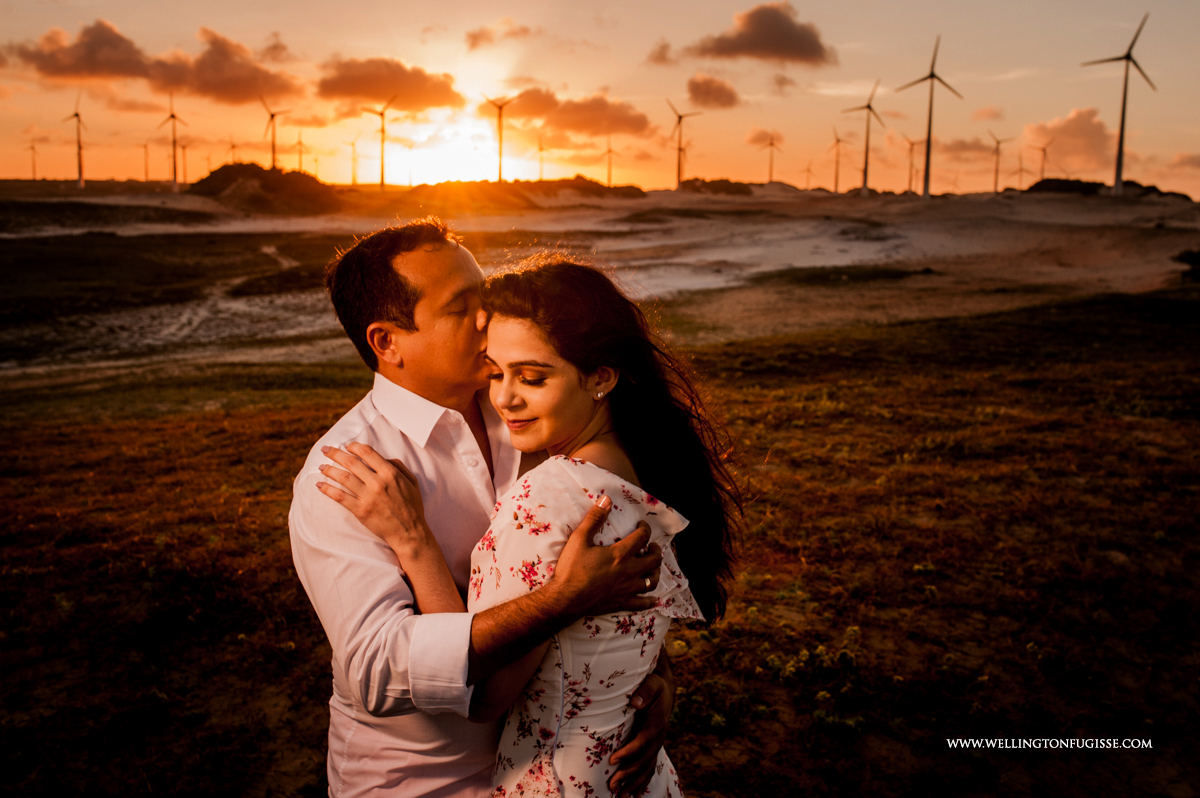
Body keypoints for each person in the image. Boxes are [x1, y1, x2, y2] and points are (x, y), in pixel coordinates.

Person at [319, 257, 742, 797]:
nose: (504, 398)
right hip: (634, 777)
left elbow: (484, 696)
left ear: (601, 378)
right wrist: (645, 684)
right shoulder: (640, 474)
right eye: (497, 372)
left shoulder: (547, 498)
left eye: (532, 377)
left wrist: (413, 540)